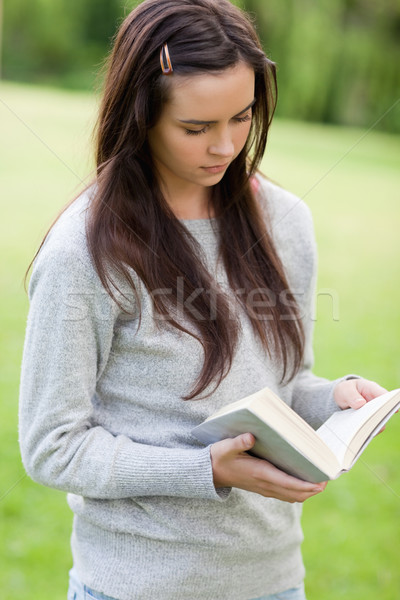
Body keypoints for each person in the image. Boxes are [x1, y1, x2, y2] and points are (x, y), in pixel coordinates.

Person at [18, 1, 387, 599]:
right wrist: (205, 469)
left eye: (241, 118)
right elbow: (52, 447)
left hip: (273, 582)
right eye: (195, 128)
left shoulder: (285, 221)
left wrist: (334, 400)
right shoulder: (84, 253)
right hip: (135, 587)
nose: (226, 146)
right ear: (140, 116)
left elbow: (283, 385)